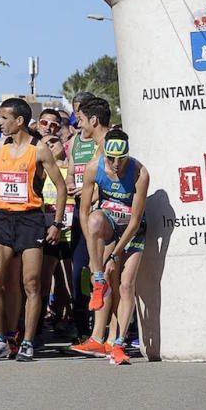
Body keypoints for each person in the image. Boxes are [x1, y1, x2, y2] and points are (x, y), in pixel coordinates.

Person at [0, 98, 67, 362]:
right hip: (4, 219)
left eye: (4, 118)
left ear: (19, 121)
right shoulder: (0, 146)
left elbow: (61, 187)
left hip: (30, 220)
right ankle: (0, 340)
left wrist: (56, 223)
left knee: (31, 283)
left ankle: (27, 341)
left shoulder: (40, 149)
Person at [78, 130, 147, 365]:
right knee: (95, 221)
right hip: (109, 223)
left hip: (132, 230)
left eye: (121, 159)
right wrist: (94, 254)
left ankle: (118, 344)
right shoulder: (93, 167)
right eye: (111, 159)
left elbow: (136, 221)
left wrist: (116, 253)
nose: (116, 165)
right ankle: (98, 281)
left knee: (126, 285)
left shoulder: (140, 172)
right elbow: (84, 211)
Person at [67, 97, 114, 357]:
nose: (79, 126)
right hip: (98, 222)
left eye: (81, 120)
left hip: (113, 221)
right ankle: (100, 337)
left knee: (110, 276)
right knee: (104, 276)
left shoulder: (110, 145)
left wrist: (96, 197)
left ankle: (111, 338)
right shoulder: (97, 146)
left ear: (93, 120)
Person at [40, 135, 75, 339]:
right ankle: (44, 318)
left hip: (70, 232)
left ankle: (67, 318)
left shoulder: (69, 170)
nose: (50, 145)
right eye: (45, 143)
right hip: (48, 232)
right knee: (46, 280)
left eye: (54, 141)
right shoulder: (42, 170)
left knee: (68, 280)